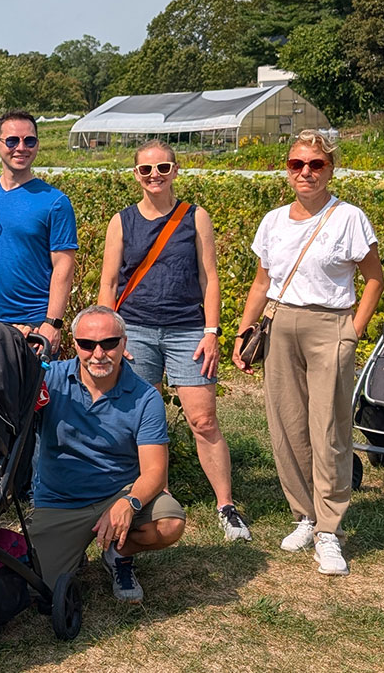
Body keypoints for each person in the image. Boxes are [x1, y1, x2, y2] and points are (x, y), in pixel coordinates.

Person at [233, 129, 384, 577]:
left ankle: (329, 530)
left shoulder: (349, 218)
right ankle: (305, 515)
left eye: (315, 165)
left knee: (329, 428)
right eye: (297, 164)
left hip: (329, 325)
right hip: (280, 324)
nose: (305, 173)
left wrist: (352, 332)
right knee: (287, 424)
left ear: (331, 168)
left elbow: (373, 278)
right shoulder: (274, 221)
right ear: (287, 169)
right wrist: (244, 333)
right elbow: (261, 283)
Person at [97, 139, 250, 542]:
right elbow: (109, 282)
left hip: (187, 329)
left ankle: (226, 505)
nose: (154, 176)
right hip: (136, 331)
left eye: (162, 168)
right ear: (135, 175)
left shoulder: (195, 217)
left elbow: (209, 277)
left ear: (176, 171)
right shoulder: (122, 221)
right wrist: (110, 335)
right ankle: (155, 495)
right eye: (146, 170)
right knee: (141, 422)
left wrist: (212, 331)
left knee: (204, 419)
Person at [30, 306, 187, 604]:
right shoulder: (50, 380)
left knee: (170, 523)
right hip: (60, 500)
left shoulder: (145, 396)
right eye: (87, 344)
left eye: (109, 343)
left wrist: (129, 502)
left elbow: (155, 470)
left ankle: (118, 553)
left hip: (117, 492)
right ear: (74, 345)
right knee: (39, 591)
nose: (98, 353)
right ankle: (71, 552)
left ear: (124, 343)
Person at [0, 110, 78, 351]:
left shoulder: (55, 202)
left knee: (34, 389)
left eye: (29, 141)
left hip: (35, 324)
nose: (21, 148)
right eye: (12, 141)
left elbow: (64, 265)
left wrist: (53, 322)